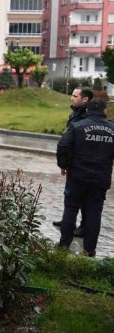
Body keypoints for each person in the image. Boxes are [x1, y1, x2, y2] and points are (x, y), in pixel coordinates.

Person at [56, 98, 114, 257]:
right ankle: (89, 250)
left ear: (87, 110)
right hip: (100, 179)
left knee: (70, 209)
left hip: (77, 177)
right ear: (105, 111)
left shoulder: (77, 126)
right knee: (94, 213)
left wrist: (64, 165)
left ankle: (63, 245)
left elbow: (63, 145)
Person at [53, 87, 94, 234]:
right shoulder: (75, 113)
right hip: (72, 161)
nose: (72, 98)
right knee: (70, 193)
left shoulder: (86, 116)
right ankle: (68, 220)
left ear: (85, 100)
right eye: (72, 95)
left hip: (81, 162)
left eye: (75, 96)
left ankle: (83, 226)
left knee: (82, 196)